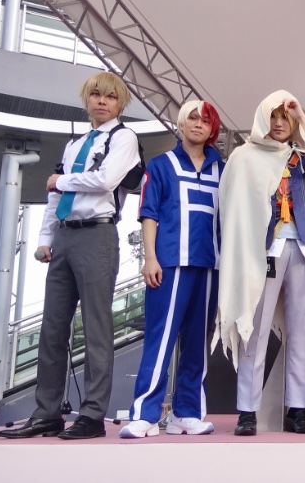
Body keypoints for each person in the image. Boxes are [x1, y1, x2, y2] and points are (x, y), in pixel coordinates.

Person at [0, 72, 141, 440]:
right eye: (96, 95)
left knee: (96, 328)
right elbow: (54, 197)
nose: (102, 101)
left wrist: (59, 180)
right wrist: (45, 238)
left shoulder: (123, 138)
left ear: (120, 103)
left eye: (110, 97)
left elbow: (106, 180)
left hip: (98, 234)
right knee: (52, 329)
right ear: (87, 99)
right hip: (64, 235)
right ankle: (47, 412)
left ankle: (92, 414)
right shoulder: (74, 143)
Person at [215, 90, 305, 436]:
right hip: (262, 251)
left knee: (301, 329)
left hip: (303, 248)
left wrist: (303, 116)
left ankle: (298, 408)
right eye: (274, 116)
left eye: (286, 117)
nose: (280, 123)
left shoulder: (297, 157)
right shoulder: (243, 156)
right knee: (255, 329)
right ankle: (247, 410)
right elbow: (232, 209)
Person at [119, 100, 224, 438]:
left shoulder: (222, 169)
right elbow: (148, 213)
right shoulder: (161, 165)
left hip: (209, 265)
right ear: (180, 123)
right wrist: (150, 258)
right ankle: (145, 415)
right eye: (192, 118)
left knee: (197, 345)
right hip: (169, 264)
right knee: (160, 339)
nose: (198, 124)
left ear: (212, 128)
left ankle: (186, 413)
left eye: (205, 120)